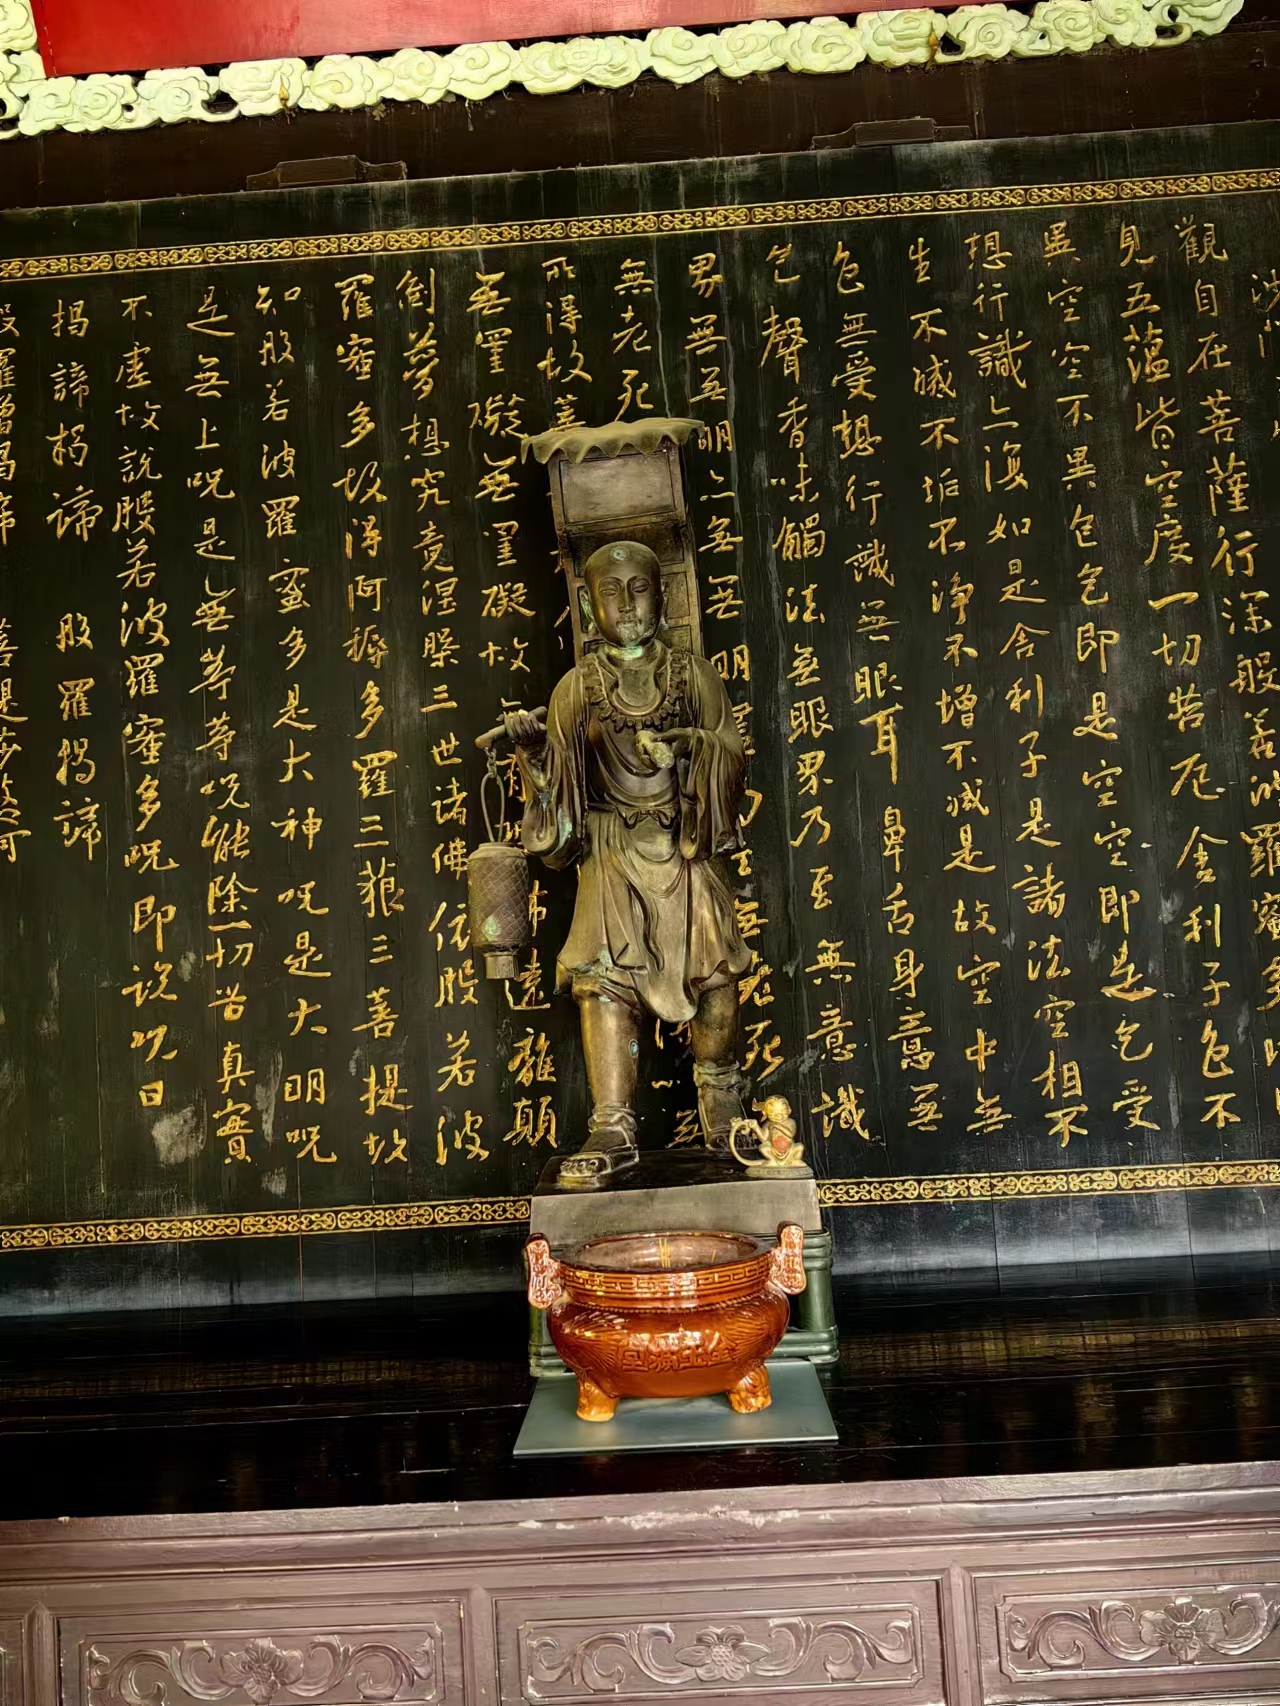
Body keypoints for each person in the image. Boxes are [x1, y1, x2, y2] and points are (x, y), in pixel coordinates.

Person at [504, 540, 752, 1188]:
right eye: (611, 593)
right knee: (602, 979)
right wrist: (535, 760)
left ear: (661, 595)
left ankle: (721, 1097)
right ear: (590, 608)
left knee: (718, 971)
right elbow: (559, 815)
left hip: (684, 843)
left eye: (640, 588)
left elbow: (732, 755)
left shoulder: (692, 676)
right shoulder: (576, 690)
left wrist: (693, 750)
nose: (628, 604)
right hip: (611, 850)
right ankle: (612, 1122)